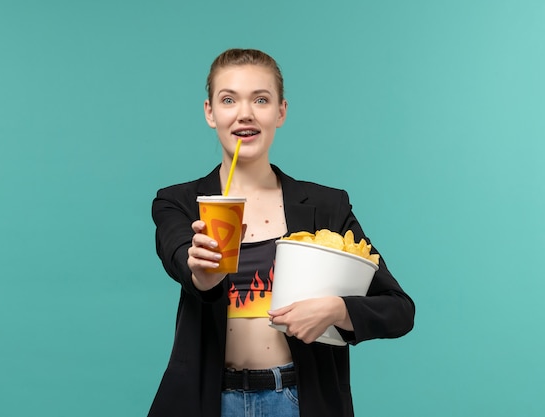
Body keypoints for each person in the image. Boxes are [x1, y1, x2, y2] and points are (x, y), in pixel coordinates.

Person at [148, 48, 415, 417]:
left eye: (261, 99)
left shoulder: (327, 206)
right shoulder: (177, 202)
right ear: (210, 112)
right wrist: (203, 273)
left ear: (280, 112)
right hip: (208, 402)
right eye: (229, 100)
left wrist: (337, 310)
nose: (245, 113)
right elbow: (180, 258)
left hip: (298, 401)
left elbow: (399, 309)